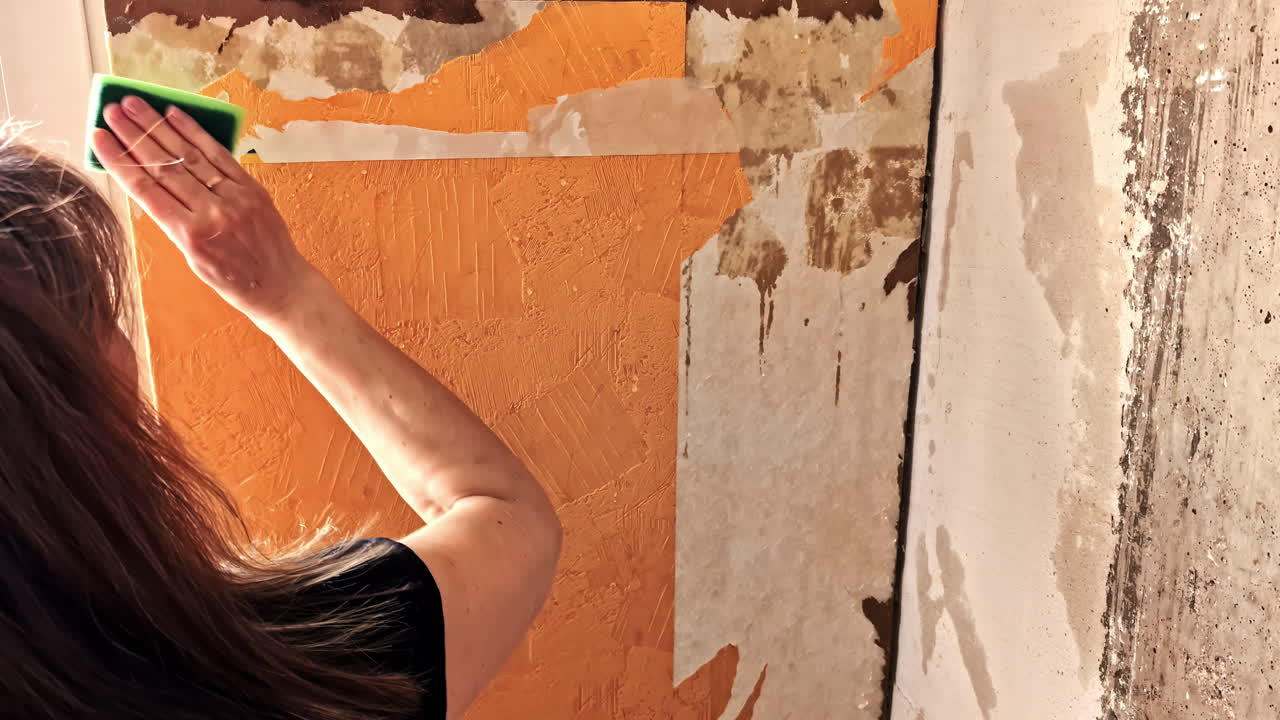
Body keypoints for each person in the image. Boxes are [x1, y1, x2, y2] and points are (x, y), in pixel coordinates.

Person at [0, 96, 562, 720]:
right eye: (105, 315)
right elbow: (509, 515)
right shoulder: (311, 669)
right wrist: (288, 295)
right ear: (74, 400)